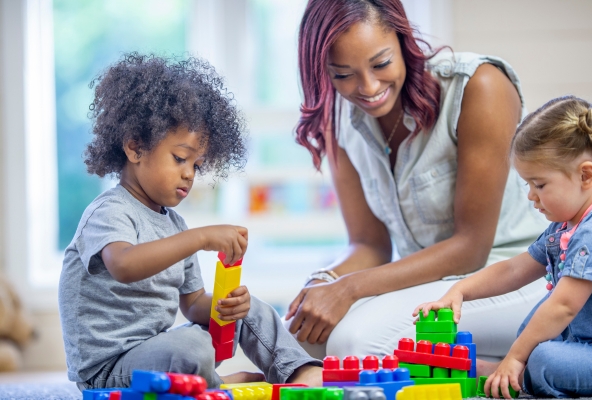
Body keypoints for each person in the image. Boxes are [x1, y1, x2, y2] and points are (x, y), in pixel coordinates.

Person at [285, 0, 548, 362]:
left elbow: (470, 248)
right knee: (301, 340)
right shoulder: (339, 117)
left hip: (517, 277)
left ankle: (506, 369)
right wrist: (325, 281)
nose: (368, 86)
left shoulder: (478, 85)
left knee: (354, 344)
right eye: (343, 74)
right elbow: (369, 245)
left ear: (403, 40)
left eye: (381, 63)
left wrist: (349, 289)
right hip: (431, 287)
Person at [58, 53, 322, 391]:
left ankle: (297, 370)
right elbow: (124, 264)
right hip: (108, 371)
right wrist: (200, 238)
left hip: (158, 353)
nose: (189, 174)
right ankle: (217, 386)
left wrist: (227, 306)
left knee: (247, 306)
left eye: (196, 165)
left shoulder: (174, 224)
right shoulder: (109, 211)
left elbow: (193, 303)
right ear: (135, 147)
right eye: (180, 158)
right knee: (191, 348)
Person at [415, 96, 592, 399]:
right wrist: (461, 290)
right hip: (581, 343)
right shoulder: (565, 226)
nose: (531, 196)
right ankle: (516, 371)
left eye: (539, 185)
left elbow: (565, 305)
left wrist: (515, 357)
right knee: (533, 328)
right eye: (528, 185)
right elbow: (515, 269)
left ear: (585, 175)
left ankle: (519, 374)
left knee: (542, 358)